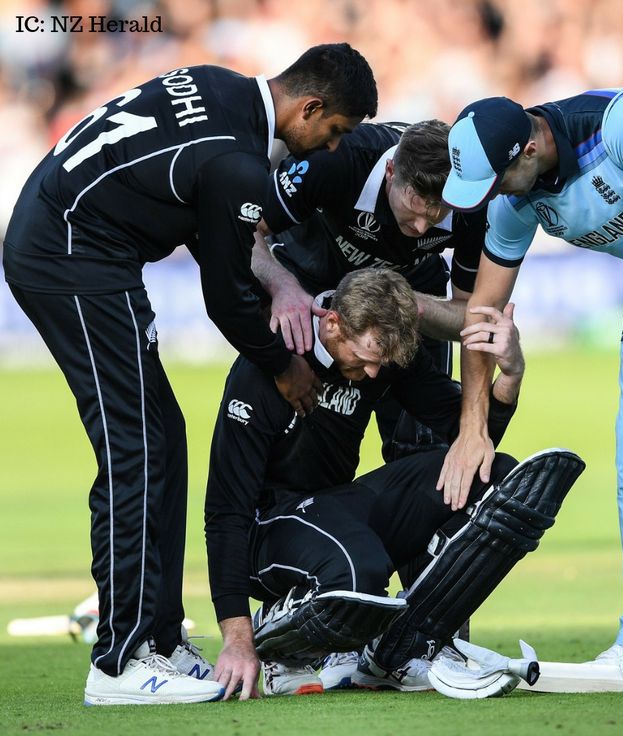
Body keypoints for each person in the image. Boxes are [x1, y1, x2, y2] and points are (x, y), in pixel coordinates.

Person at [2, 43, 377, 706]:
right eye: (334, 131)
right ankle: (120, 661)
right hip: (70, 253)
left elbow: (214, 235)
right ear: (310, 106)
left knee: (162, 436)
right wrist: (284, 366)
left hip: (76, 242)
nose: (329, 148)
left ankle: (161, 636)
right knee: (137, 446)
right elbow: (225, 298)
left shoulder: (218, 86)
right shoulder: (237, 159)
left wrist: (280, 283)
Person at [440, 88, 623, 694]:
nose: (491, 198)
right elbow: (482, 315)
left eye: (495, 182)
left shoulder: (620, 125)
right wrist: (472, 427)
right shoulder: (514, 199)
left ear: (528, 150)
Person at [203, 268, 584, 699]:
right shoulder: (269, 363)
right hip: (264, 530)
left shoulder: (381, 357)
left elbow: (471, 438)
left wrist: (511, 375)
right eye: (364, 357)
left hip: (332, 510)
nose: (371, 373)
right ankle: (275, 637)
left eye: (380, 363)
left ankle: (399, 649)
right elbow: (224, 514)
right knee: (357, 570)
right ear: (333, 323)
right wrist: (236, 638)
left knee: (492, 480)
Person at [252, 118, 486, 460]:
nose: (422, 227)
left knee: (423, 448)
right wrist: (281, 286)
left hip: (409, 291)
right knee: (301, 438)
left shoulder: (470, 204)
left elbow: (472, 317)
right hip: (308, 276)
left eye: (438, 214)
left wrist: (409, 305)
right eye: (414, 204)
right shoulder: (336, 158)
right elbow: (241, 227)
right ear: (391, 171)